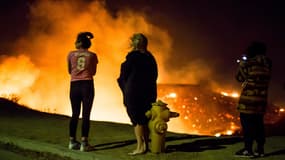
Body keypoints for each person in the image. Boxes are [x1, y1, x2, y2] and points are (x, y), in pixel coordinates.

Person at [117, 33, 158, 155]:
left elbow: (123, 76)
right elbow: (155, 76)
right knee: (145, 119)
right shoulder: (150, 58)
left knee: (137, 121)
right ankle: (145, 145)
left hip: (133, 93)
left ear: (133, 44)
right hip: (149, 92)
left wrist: (125, 89)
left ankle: (140, 147)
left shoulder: (132, 57)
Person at [235, 41, 272, 158]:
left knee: (247, 125)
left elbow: (239, 78)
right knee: (259, 124)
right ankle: (260, 149)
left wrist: (241, 65)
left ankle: (248, 149)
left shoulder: (248, 63)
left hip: (248, 100)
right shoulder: (267, 64)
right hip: (261, 100)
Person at [67, 32, 98, 151]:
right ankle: (84, 143)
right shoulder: (92, 55)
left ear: (80, 43)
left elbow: (70, 71)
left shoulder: (70, 54)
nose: (74, 42)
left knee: (75, 114)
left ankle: (72, 141)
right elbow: (94, 72)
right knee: (86, 114)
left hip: (74, 85)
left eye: (76, 40)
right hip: (87, 85)